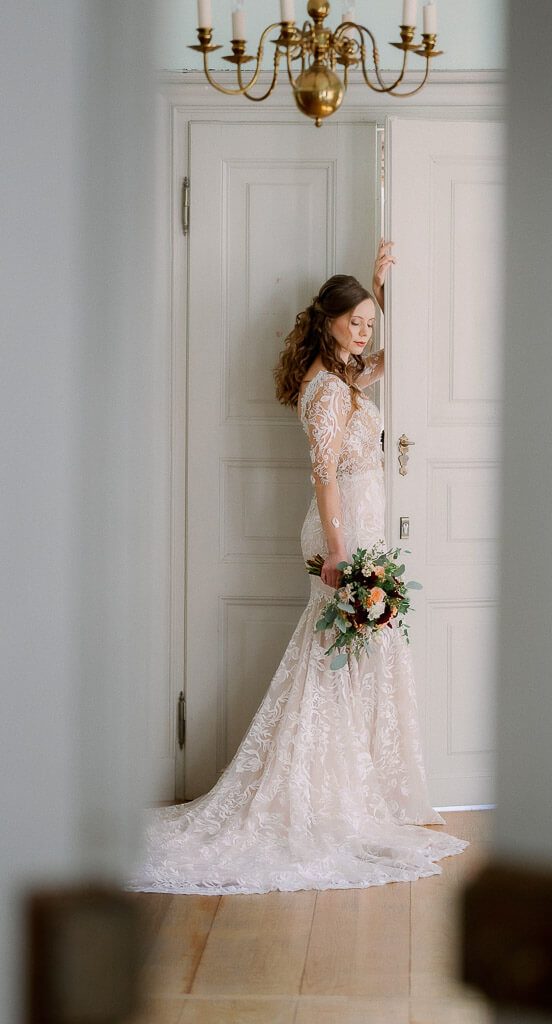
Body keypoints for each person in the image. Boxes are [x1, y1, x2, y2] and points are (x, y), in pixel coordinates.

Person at [126, 241, 468, 895]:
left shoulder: (340, 378)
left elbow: (390, 361)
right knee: (334, 657)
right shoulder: (326, 390)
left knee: (352, 658)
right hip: (346, 532)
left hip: (360, 527)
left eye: (368, 321)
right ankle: (323, 796)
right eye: (355, 320)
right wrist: (339, 550)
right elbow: (324, 474)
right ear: (327, 320)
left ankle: (359, 788)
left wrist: (379, 291)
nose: (364, 331)